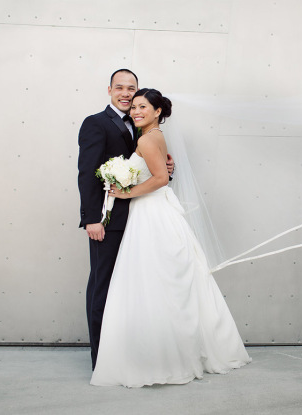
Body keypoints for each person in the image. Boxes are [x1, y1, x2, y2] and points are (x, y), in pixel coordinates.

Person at [90, 88, 250, 387]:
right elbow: (159, 172)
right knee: (160, 280)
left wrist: (126, 191)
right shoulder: (152, 137)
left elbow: (161, 179)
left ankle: (162, 355)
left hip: (151, 213)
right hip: (151, 211)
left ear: (158, 111)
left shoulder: (149, 138)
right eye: (134, 107)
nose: (136, 111)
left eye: (143, 107)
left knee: (154, 279)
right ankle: (169, 349)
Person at [77, 69, 174, 370]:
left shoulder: (141, 126)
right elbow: (87, 172)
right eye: (119, 87)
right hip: (109, 220)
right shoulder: (96, 123)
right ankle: (100, 360)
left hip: (140, 220)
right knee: (103, 286)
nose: (125, 93)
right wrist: (92, 218)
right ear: (109, 90)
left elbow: (154, 171)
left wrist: (170, 167)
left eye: (131, 88)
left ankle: (127, 353)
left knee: (131, 288)